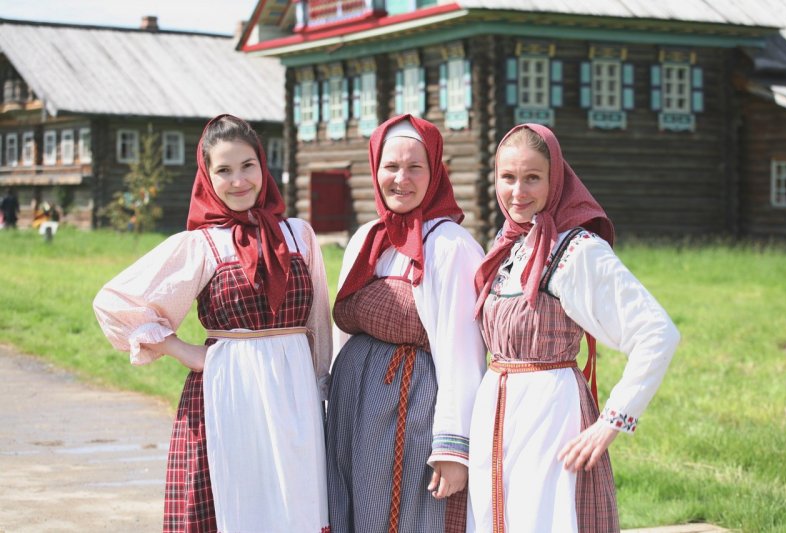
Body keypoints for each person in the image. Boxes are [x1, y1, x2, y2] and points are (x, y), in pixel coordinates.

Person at [93, 114, 332, 533]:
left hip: (294, 398)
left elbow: (319, 324)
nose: (238, 181)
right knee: (234, 502)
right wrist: (185, 352)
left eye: (247, 166)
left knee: (297, 507)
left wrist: (321, 389)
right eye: (224, 170)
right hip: (228, 392)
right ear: (207, 176)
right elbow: (115, 303)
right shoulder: (202, 244)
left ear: (263, 166)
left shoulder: (299, 235)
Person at [468, 123, 680, 532]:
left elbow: (657, 332)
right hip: (496, 412)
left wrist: (611, 423)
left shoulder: (578, 250)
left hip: (550, 415)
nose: (518, 191)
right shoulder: (507, 245)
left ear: (556, 181)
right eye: (508, 177)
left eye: (533, 177)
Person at [326, 114, 487, 533]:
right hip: (352, 404)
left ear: (435, 173)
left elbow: (462, 352)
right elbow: (343, 333)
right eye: (391, 166)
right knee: (350, 508)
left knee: (399, 515)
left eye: (415, 167)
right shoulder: (365, 239)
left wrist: (453, 449)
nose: (401, 179)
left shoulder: (450, 246)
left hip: (411, 407)